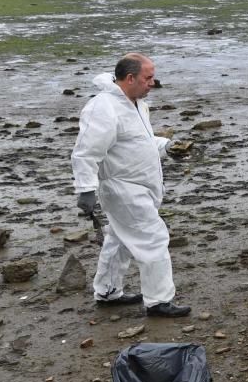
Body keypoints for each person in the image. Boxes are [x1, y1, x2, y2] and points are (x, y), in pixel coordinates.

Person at [71, 53, 190, 318]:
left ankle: (108, 291)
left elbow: (137, 141)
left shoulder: (135, 103)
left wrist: (167, 147)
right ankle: (159, 301)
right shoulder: (103, 107)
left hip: (140, 185)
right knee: (153, 238)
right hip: (122, 188)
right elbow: (86, 152)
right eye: (148, 78)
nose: (153, 83)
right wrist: (86, 189)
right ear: (130, 78)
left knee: (119, 239)